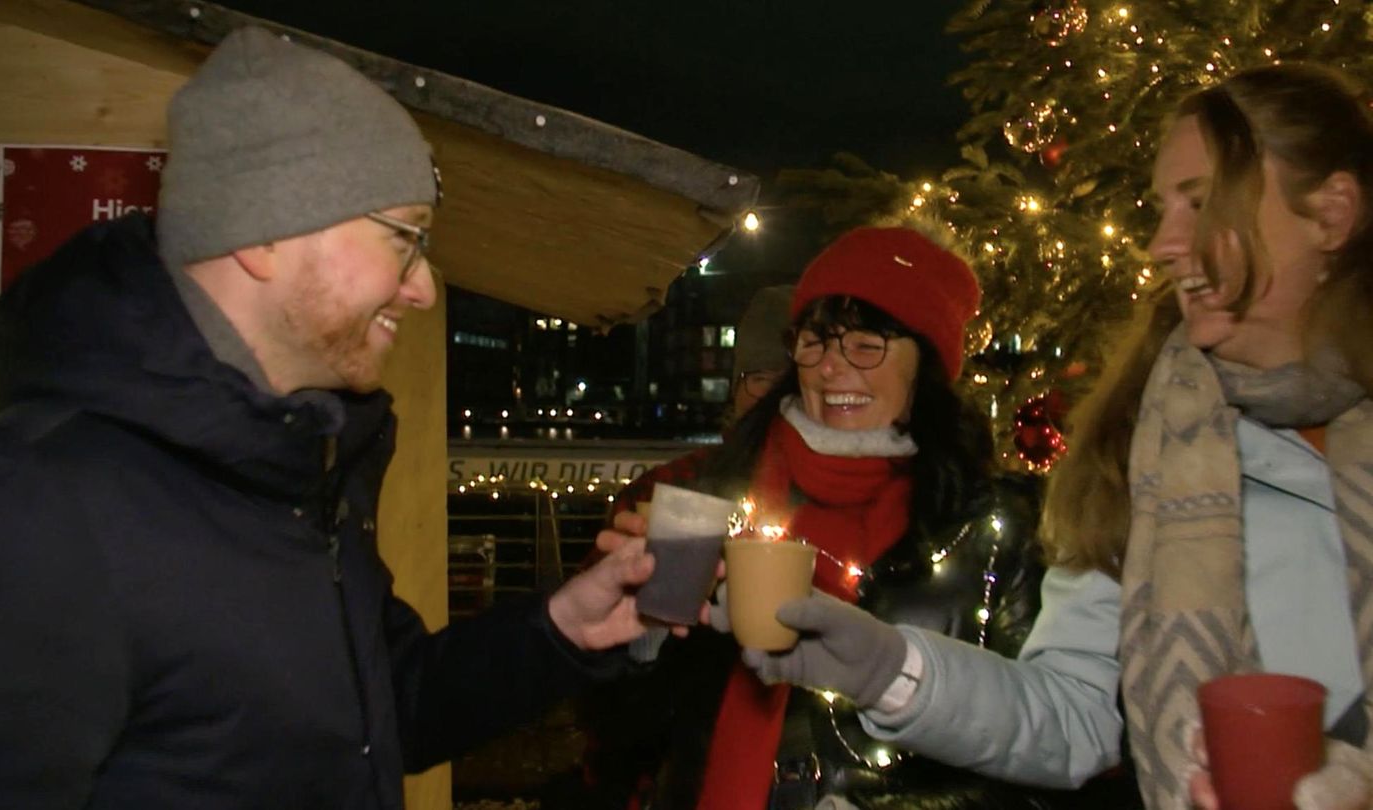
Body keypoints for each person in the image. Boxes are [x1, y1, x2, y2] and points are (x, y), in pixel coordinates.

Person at [0, 27, 678, 809]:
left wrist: (564, 626)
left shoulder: (295, 467)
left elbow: (384, 711)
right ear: (262, 236)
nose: (422, 288)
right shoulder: (24, 508)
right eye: (404, 238)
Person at [740, 62, 1373, 810]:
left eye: (1200, 204)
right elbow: (1075, 715)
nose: (1163, 246)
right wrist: (893, 671)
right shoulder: (1141, 444)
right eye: (1162, 208)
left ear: (1331, 214)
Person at [579, 225, 1069, 809]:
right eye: (815, 342)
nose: (830, 369)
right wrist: (635, 637)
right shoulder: (703, 496)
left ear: (926, 367)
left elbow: (1050, 758)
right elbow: (621, 739)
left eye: (865, 345)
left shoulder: (994, 526)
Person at [608, 284, 793, 515]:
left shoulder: (843, 506)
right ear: (736, 391)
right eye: (762, 379)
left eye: (792, 386)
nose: (775, 400)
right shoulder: (663, 495)